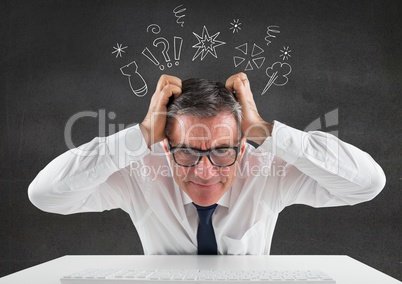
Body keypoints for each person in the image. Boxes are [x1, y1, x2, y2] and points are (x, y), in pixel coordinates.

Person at [28, 73, 386, 255]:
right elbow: (46, 195)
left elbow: (367, 183)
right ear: (165, 147)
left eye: (221, 151)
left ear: (244, 146)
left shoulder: (267, 170)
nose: (204, 171)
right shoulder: (142, 171)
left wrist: (268, 132)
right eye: (188, 152)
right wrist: (139, 136)